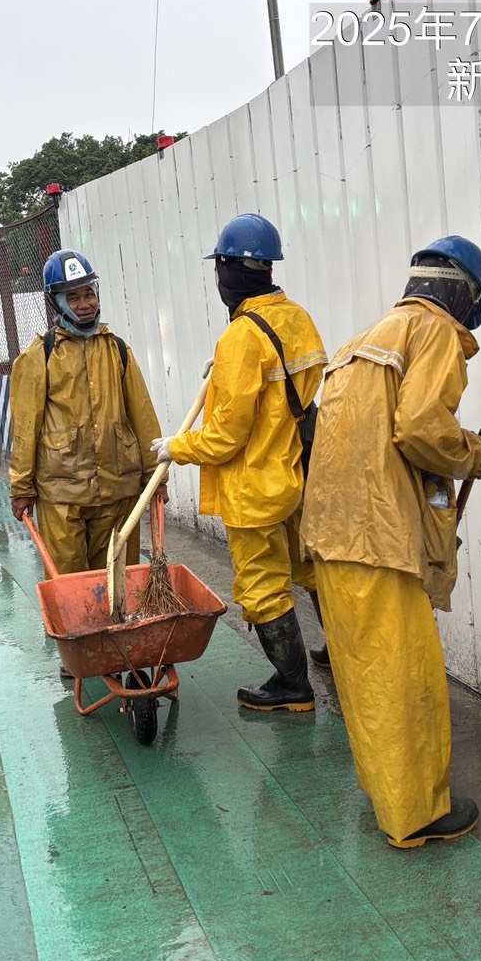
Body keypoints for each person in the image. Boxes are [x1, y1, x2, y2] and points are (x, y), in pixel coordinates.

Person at [300, 235, 481, 849]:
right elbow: (420, 428)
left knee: (364, 677)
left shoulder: (362, 340)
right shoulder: (433, 331)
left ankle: (387, 794)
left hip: (332, 535)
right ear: (466, 296)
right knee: (406, 677)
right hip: (382, 539)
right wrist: (476, 453)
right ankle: (416, 815)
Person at [154, 214, 327, 713]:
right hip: (296, 471)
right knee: (311, 568)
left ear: (227, 270)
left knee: (262, 585)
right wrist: (227, 370)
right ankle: (343, 651)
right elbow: (292, 385)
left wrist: (176, 447)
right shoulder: (295, 317)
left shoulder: (240, 337)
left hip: (255, 486)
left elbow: (225, 438)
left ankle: (292, 686)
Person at [9, 249, 163, 575]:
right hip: (62, 495)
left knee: (119, 581)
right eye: (73, 297)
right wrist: (21, 488)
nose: (84, 304)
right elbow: (25, 428)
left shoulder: (117, 349)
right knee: (70, 585)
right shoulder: (39, 356)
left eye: (89, 294)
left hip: (118, 490)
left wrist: (156, 476)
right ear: (55, 302)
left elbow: (143, 417)